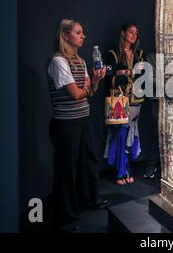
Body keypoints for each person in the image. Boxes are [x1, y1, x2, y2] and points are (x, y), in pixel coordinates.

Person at [48, 19, 111, 232]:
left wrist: (94, 82)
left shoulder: (81, 61)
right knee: (67, 169)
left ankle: (89, 199)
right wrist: (87, 88)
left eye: (82, 32)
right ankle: (65, 216)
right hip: (66, 124)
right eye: (78, 32)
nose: (83, 36)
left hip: (83, 119)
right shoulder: (58, 61)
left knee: (89, 161)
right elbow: (75, 93)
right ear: (65, 36)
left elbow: (88, 91)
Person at [105, 22, 144, 185]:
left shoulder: (139, 54)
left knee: (131, 134)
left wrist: (125, 72)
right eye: (130, 32)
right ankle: (121, 171)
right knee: (120, 135)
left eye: (136, 33)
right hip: (119, 102)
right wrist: (129, 73)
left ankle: (128, 169)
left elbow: (142, 75)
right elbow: (110, 80)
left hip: (136, 101)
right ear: (123, 33)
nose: (134, 35)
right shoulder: (113, 53)